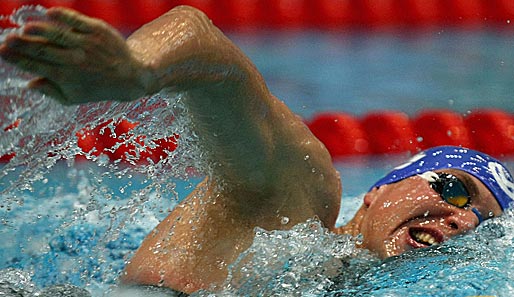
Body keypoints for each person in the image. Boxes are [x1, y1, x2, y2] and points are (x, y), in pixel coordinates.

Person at [0, 5, 513, 294]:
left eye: (483, 223)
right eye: (456, 190)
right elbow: (205, 45)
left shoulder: (333, 279)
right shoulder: (297, 205)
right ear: (380, 190)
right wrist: (136, 69)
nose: (464, 221)